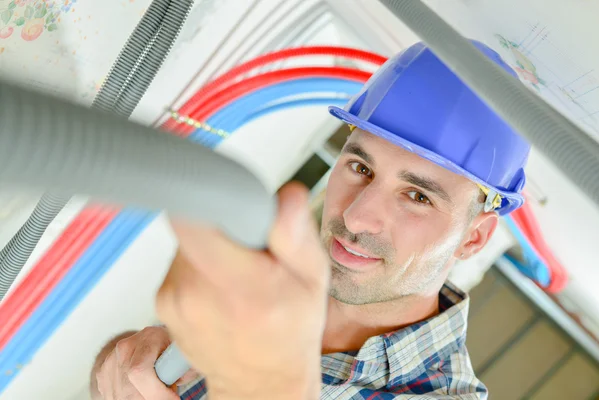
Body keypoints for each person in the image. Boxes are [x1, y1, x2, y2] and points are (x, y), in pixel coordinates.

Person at [90, 41, 530, 400]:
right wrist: (124, 361)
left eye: (416, 196)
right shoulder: (263, 275)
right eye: (360, 168)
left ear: (473, 238)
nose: (357, 217)